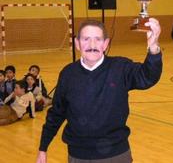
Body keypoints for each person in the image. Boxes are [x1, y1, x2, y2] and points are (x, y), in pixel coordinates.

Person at [36, 18, 162, 163]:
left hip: (116, 155)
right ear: (77, 43)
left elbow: (148, 77)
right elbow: (56, 113)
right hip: (78, 156)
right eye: (86, 39)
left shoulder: (120, 68)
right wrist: (43, 148)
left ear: (105, 43)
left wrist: (153, 46)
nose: (92, 45)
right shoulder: (68, 74)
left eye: (97, 39)